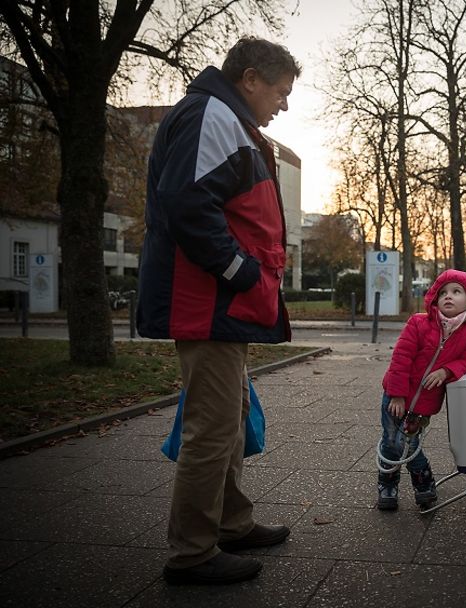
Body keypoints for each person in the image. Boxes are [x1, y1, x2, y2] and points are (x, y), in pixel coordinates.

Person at [137, 37, 301, 585]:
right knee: (211, 427)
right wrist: (241, 272)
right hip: (207, 299)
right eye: (280, 91)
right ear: (250, 79)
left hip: (224, 303)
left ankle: (230, 523)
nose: (283, 104)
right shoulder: (211, 114)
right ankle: (192, 552)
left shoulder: (230, 121)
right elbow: (188, 203)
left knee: (228, 419)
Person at [376, 269, 466, 511]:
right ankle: (388, 483)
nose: (448, 296)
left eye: (457, 292)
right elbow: (401, 359)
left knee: (411, 445)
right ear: (434, 298)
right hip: (396, 397)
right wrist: (397, 394)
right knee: (393, 442)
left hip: (423, 405)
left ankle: (422, 483)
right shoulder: (418, 323)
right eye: (443, 292)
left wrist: (446, 371)